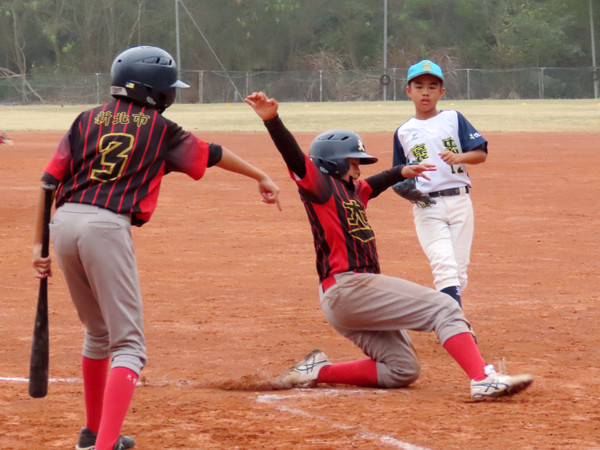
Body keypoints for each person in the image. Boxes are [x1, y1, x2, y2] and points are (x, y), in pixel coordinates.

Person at [32, 46, 280, 450]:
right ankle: (104, 445)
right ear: (156, 92)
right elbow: (212, 154)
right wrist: (261, 175)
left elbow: (48, 182)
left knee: (97, 333)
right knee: (129, 346)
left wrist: (36, 247)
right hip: (105, 228)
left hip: (63, 224)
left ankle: (93, 434)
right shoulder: (160, 130)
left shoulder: (85, 119)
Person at [244, 91, 532, 401]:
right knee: (445, 306)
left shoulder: (353, 192)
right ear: (333, 164)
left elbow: (374, 184)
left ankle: (315, 372)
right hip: (349, 287)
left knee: (402, 369)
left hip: (348, 298)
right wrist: (272, 120)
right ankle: (481, 379)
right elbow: (295, 158)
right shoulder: (320, 188)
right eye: (354, 162)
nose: (359, 169)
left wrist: (401, 171)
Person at [392, 59, 488, 307]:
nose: (426, 91)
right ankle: (455, 325)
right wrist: (407, 190)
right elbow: (397, 173)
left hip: (460, 202)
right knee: (444, 265)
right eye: (419, 85)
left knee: (458, 272)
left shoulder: (454, 119)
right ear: (409, 91)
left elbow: (481, 154)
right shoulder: (404, 132)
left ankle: (437, 309)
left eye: (433, 86)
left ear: (441, 92)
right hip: (427, 206)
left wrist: (459, 157)